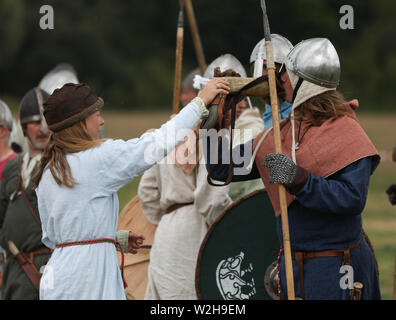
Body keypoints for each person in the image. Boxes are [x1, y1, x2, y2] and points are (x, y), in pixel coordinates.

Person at [203, 38, 381, 300]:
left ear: (304, 82)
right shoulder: (281, 134)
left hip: (338, 268)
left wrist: (298, 179)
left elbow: (352, 199)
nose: (281, 80)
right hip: (291, 269)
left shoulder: (346, 131)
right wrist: (213, 119)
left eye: (286, 73)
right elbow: (221, 168)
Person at [33, 79, 229, 300]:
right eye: (96, 114)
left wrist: (109, 238)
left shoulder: (48, 170)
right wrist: (200, 101)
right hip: (88, 279)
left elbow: (55, 238)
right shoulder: (98, 159)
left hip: (58, 277)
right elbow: (156, 143)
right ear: (80, 123)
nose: (101, 121)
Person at [139, 55, 248, 300]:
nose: (239, 106)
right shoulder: (214, 135)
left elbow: (147, 192)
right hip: (195, 235)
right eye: (236, 100)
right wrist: (236, 225)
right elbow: (209, 200)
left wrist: (168, 217)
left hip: (166, 232)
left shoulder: (167, 132)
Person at [0, 88, 52, 300]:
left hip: (47, 267)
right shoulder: (13, 166)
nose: (43, 129)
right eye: (35, 122)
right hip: (13, 267)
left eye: (47, 122)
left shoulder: (62, 167)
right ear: (23, 127)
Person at [250, 34, 294, 129]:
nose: (261, 74)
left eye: (266, 67)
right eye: (257, 68)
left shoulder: (296, 113)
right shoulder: (269, 110)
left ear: (283, 72)